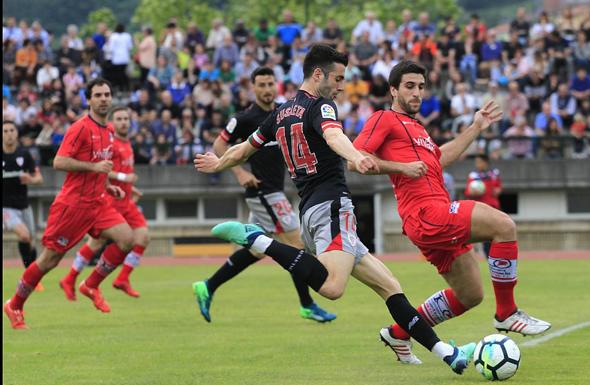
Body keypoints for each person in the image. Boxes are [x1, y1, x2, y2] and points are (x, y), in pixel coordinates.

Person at [194, 44, 475, 373]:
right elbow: (333, 136)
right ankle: (258, 240)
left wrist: (217, 165)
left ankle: (447, 354)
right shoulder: (321, 106)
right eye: (338, 78)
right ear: (318, 75)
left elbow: (242, 150)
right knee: (332, 288)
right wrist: (355, 156)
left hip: (313, 212)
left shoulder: (279, 114)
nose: (341, 86)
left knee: (391, 287)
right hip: (331, 208)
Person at [351, 61, 550, 363]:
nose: (417, 92)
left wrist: (476, 128)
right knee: (503, 225)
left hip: (435, 215)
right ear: (393, 90)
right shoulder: (384, 118)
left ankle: (398, 333)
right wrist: (401, 168)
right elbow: (356, 158)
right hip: (426, 214)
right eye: (409, 86)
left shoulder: (417, 129)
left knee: (470, 295)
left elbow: (441, 158)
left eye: (421, 86)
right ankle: (507, 313)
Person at [192, 67, 336, 323]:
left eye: (271, 83)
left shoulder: (284, 112)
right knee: (297, 245)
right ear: (253, 88)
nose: (267, 89)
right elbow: (219, 145)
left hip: (274, 190)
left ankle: (208, 286)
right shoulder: (245, 118)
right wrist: (240, 173)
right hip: (263, 192)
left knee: (256, 250)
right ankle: (307, 304)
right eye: (262, 84)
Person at [4, 78, 135, 329]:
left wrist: (108, 184)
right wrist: (94, 167)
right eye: (98, 95)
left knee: (128, 239)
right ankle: (15, 304)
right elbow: (59, 161)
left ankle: (90, 284)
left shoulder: (108, 132)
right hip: (73, 206)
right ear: (89, 99)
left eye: (107, 94)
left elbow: (100, 167)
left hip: (98, 203)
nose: (104, 98)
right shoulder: (80, 128)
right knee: (49, 261)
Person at [59, 106, 150, 300]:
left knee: (142, 237)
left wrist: (129, 188)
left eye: (126, 118)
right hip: (110, 200)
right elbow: (103, 170)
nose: (124, 122)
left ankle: (123, 278)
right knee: (96, 242)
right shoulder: (110, 143)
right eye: (119, 119)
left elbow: (119, 170)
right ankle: (71, 278)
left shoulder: (127, 143)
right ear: (112, 122)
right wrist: (125, 178)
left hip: (126, 200)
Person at [3, 120, 44, 290]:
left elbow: (39, 179)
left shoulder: (24, 154)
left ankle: (31, 278)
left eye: (12, 130)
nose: (9, 133)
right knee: (24, 235)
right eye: (5, 131)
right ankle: (30, 277)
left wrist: (31, 179)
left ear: (16, 133)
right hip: (5, 207)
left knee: (31, 241)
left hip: (24, 205)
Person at [464, 154, 502, 256]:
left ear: (485, 162)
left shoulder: (494, 174)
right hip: (479, 208)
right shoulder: (473, 176)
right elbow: (467, 192)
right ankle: (481, 253)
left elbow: (498, 187)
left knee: (493, 232)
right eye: (476, 162)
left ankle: (492, 254)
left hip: (493, 207)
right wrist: (473, 192)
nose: (477, 164)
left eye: (479, 162)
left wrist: (498, 190)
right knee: (481, 232)